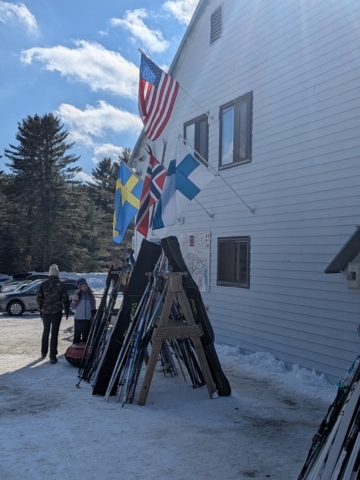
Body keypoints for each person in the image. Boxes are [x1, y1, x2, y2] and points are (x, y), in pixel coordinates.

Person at [37, 264, 70, 364]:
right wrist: (67, 310)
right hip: (56, 312)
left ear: (50, 274)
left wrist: (40, 309)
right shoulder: (61, 284)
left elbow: (39, 298)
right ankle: (52, 356)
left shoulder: (43, 284)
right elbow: (65, 299)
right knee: (54, 333)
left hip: (45, 312)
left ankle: (43, 352)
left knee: (45, 331)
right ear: (57, 274)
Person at [70, 278, 96, 345]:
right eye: (82, 286)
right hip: (78, 318)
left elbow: (93, 306)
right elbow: (73, 307)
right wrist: (74, 301)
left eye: (85, 285)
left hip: (87, 319)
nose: (84, 287)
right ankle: (75, 348)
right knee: (77, 335)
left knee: (86, 336)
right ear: (79, 287)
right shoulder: (77, 294)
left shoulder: (90, 295)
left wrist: (93, 314)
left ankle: (84, 349)